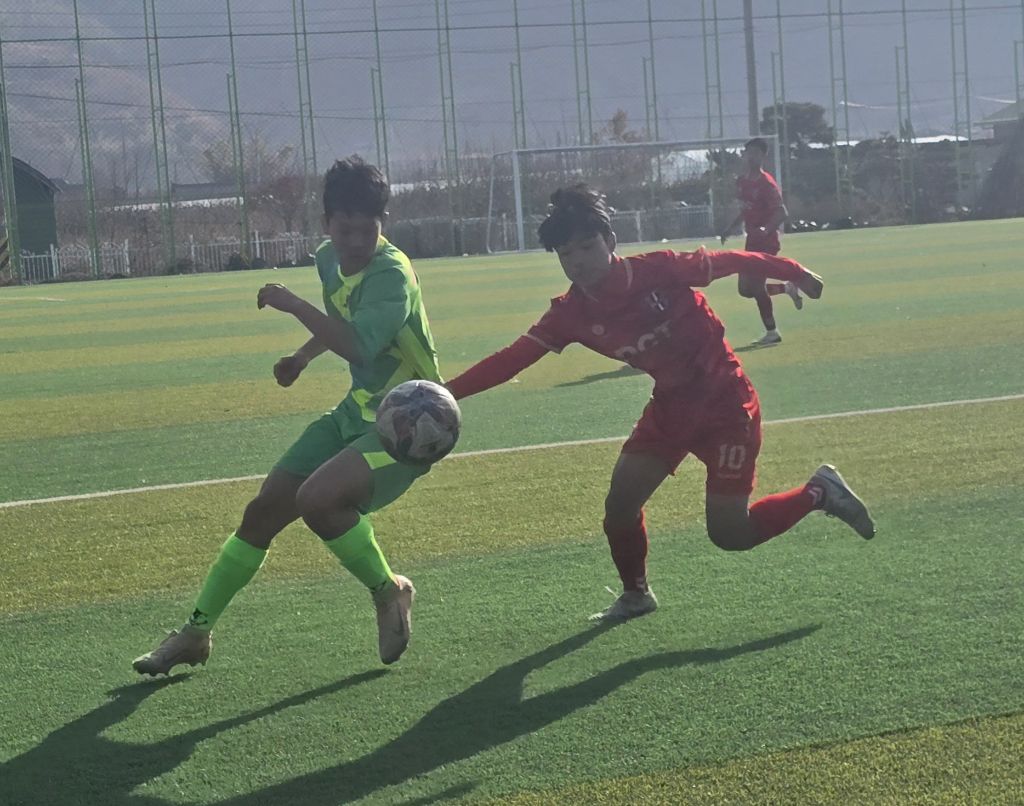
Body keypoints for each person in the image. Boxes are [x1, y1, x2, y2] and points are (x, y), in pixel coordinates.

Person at [446, 185, 874, 622]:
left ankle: (819, 492)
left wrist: (794, 271)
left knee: (731, 534)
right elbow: (512, 359)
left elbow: (733, 260)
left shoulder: (660, 269)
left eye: (587, 247)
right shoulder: (570, 314)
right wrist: (447, 392)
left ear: (610, 241)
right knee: (620, 507)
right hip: (670, 409)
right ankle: (636, 594)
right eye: (565, 253)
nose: (578, 261)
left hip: (727, 406)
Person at [133, 156, 441, 675]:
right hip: (357, 411)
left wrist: (294, 305)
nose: (356, 242)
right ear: (326, 224)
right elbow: (341, 322)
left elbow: (360, 345)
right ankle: (195, 632)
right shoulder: (328, 258)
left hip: (409, 424)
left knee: (318, 501)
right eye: (345, 229)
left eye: (368, 229)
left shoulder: (391, 274)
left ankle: (388, 589)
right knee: (262, 512)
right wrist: (302, 356)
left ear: (382, 223)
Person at [720, 137, 802, 346]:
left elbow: (782, 212)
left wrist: (766, 229)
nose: (751, 157)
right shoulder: (742, 181)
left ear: (763, 156)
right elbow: (746, 209)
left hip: (767, 242)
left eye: (756, 153)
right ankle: (786, 288)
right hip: (752, 241)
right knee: (745, 289)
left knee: (756, 286)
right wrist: (731, 227)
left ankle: (772, 332)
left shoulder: (767, 183)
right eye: (749, 153)